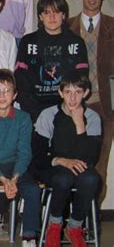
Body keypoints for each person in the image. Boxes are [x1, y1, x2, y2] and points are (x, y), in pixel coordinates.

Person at [32, 71, 101, 247]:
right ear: (60, 93)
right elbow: (38, 155)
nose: (72, 98)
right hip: (52, 166)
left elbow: (90, 158)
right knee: (64, 178)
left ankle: (75, 227)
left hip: (81, 166)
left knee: (92, 179)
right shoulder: (48, 115)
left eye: (78, 92)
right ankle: (54, 225)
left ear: (85, 93)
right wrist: (61, 160)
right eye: (68, 92)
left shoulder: (92, 118)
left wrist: (80, 124)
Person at [0, 69, 40, 247]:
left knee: (33, 190)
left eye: (7, 90)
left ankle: (29, 237)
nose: (2, 95)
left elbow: (25, 152)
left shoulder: (23, 118)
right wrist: (4, 180)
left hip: (15, 167)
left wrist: (15, 178)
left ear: (15, 95)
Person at [68, 0, 113, 203]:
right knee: (71, 167)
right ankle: (69, 220)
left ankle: (91, 221)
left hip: (104, 108)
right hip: (72, 107)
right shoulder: (67, 26)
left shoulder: (113, 27)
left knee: (99, 169)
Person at [14, 0, 89, 123]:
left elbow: (81, 79)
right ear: (40, 16)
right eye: (47, 12)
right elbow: (20, 80)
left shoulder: (76, 43)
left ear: (64, 15)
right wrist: (35, 113)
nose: (52, 17)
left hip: (67, 110)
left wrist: (67, 109)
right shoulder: (28, 42)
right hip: (34, 113)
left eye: (56, 12)